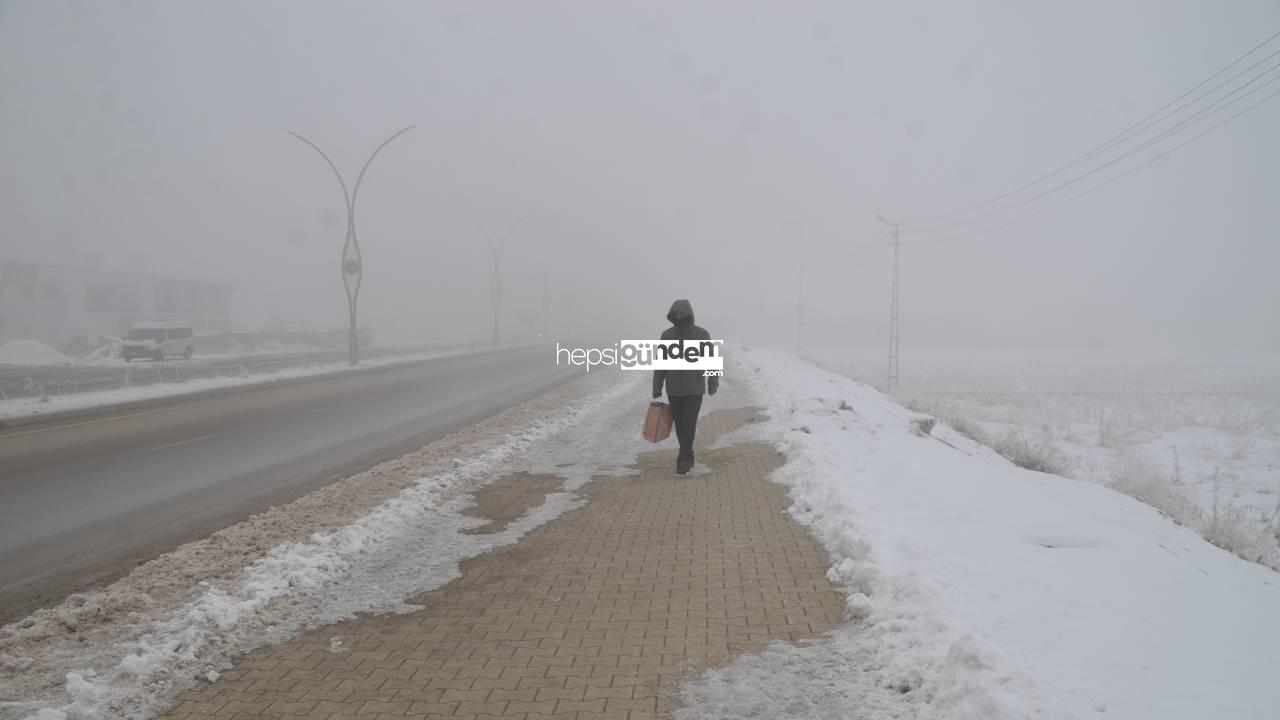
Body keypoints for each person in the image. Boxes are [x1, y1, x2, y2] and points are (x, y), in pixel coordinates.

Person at [652, 299, 718, 475]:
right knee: (680, 425)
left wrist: (713, 381)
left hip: (694, 388)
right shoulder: (666, 336)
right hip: (673, 389)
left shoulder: (701, 334)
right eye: (676, 314)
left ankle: (684, 459)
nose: (679, 316)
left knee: (689, 423)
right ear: (672, 315)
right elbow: (660, 363)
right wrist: (657, 386)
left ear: (689, 314)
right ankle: (688, 454)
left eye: (682, 313)